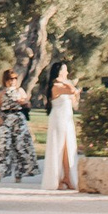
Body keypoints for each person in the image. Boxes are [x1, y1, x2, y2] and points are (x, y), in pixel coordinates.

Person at [0, 69, 37, 185]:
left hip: (18, 120)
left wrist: (23, 102)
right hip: (6, 119)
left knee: (20, 146)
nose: (13, 81)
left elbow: (27, 104)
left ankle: (19, 173)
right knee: (5, 146)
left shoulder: (20, 91)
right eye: (10, 79)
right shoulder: (2, 93)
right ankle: (0, 172)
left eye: (15, 78)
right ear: (5, 80)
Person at [40, 63, 80, 192]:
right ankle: (58, 178)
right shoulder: (56, 87)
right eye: (65, 71)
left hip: (67, 119)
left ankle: (67, 177)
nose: (67, 73)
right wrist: (65, 82)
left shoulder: (63, 85)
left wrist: (67, 83)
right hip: (58, 119)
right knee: (59, 147)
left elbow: (75, 102)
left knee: (68, 148)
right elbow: (72, 90)